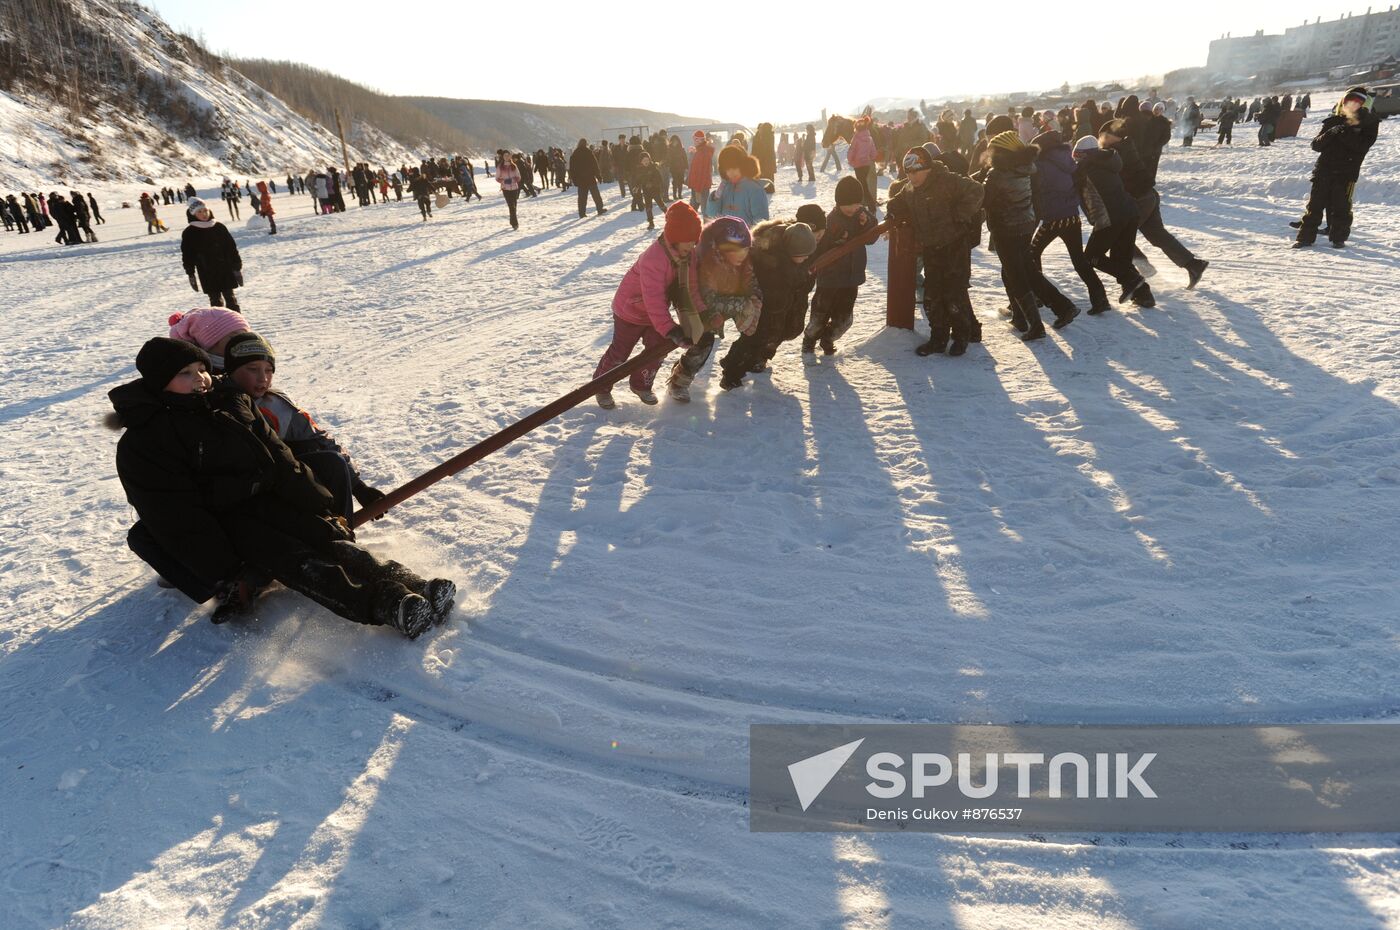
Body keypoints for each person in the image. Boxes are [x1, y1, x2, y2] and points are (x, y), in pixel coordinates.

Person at [109, 338, 453, 638]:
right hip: (226, 522)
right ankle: (388, 605)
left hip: (269, 497)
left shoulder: (230, 400)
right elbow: (176, 515)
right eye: (185, 373)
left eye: (200, 368)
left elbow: (279, 455)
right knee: (299, 561)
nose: (200, 379)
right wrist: (228, 571)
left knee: (325, 538)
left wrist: (317, 503)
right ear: (159, 382)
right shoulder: (145, 442)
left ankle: (415, 585)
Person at [222, 333, 386, 520]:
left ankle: (341, 534)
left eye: (269, 371)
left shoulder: (276, 405)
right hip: (241, 489)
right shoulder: (214, 399)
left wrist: (358, 487)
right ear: (231, 369)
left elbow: (318, 439)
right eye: (253, 369)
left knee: (332, 463)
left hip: (282, 479)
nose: (263, 378)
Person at [593, 202, 702, 409]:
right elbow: (654, 299)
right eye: (687, 241)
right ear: (674, 237)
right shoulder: (654, 258)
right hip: (630, 311)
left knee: (657, 350)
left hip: (654, 315)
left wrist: (699, 317)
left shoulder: (688, 255)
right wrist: (671, 329)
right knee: (620, 353)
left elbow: (691, 288)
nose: (692, 245)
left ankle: (641, 385)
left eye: (694, 241)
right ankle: (601, 386)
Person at [887, 147, 985, 356]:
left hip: (954, 245)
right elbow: (897, 202)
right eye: (908, 173)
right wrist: (892, 211)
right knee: (933, 296)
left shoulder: (946, 181)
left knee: (954, 294)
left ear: (927, 168)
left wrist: (961, 214)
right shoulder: (910, 190)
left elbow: (977, 190)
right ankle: (938, 337)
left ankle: (961, 336)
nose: (911, 177)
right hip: (931, 248)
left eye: (915, 171)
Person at [980, 131, 1078, 339]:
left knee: (1016, 276)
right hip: (1026, 225)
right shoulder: (1028, 168)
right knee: (1028, 271)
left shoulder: (996, 175)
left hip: (1005, 229)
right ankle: (1063, 307)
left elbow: (985, 202)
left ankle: (1035, 325)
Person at [1098, 118, 1208, 289]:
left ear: (1114, 136)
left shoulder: (1116, 151)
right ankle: (1193, 265)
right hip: (1148, 195)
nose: (1101, 140)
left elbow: (1105, 166)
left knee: (1118, 236)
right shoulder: (1125, 146)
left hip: (1139, 199)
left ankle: (1144, 267)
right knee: (1157, 234)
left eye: (1104, 136)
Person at [666, 216, 762, 402]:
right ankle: (680, 380)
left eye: (745, 249)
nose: (743, 255)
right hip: (695, 308)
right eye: (736, 250)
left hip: (723, 304)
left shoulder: (745, 262)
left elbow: (753, 285)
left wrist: (753, 300)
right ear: (721, 249)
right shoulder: (707, 264)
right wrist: (741, 304)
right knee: (703, 342)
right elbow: (708, 300)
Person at [718, 219, 817, 387]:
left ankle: (755, 360)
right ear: (790, 251)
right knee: (752, 341)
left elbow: (802, 281)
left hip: (785, 308)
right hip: (764, 310)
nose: (806, 258)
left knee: (773, 338)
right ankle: (731, 372)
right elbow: (766, 285)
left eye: (808, 255)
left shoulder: (799, 257)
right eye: (802, 256)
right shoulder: (769, 258)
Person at [1029, 130, 1109, 315]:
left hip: (1053, 219)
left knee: (1032, 253)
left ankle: (1038, 295)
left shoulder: (1040, 165)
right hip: (1072, 216)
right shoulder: (1069, 161)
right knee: (1079, 260)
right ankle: (1100, 298)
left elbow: (1037, 190)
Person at [1293, 87, 1383, 249]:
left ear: (1363, 104)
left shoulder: (1369, 123)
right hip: (1323, 170)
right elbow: (1316, 145)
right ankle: (1305, 237)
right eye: (1349, 100)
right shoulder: (1333, 120)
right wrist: (1331, 132)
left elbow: (1362, 146)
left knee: (1341, 207)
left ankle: (1338, 238)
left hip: (1346, 173)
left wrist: (1343, 132)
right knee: (1314, 206)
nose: (1352, 104)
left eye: (1357, 101)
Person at [1072, 136, 1150, 308]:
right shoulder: (1107, 161)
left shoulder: (1084, 169)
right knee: (1122, 257)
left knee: (1091, 256)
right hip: (1129, 212)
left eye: (1077, 156)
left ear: (1083, 155)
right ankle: (1144, 294)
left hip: (1109, 217)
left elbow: (1076, 190)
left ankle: (1133, 279)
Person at [803, 176, 874, 361]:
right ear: (838, 203)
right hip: (830, 279)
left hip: (852, 278)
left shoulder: (862, 215)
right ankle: (809, 340)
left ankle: (828, 339)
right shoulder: (830, 221)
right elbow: (820, 248)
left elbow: (872, 237)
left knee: (845, 319)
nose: (852, 208)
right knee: (819, 314)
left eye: (856, 203)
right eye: (847, 204)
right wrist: (835, 242)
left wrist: (866, 223)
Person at [180, 198, 243, 310]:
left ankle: (237, 324)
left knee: (231, 298)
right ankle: (220, 326)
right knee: (215, 302)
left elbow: (231, 248)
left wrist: (237, 267)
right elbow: (187, 255)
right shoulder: (189, 233)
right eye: (199, 212)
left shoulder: (219, 227)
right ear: (193, 214)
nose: (204, 214)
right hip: (206, 271)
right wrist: (190, 273)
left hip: (225, 268)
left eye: (205, 210)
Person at [704, 146, 769, 227]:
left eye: (734, 168)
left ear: (743, 166)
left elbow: (761, 222)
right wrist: (716, 198)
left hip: (747, 237)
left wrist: (750, 236)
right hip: (725, 237)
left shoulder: (754, 190)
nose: (731, 173)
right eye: (727, 170)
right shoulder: (725, 188)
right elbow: (712, 215)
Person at [167, 308, 250, 371]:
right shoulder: (204, 376)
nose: (243, 342)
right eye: (233, 338)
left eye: (246, 336)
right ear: (211, 343)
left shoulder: (252, 362)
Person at [846, 116, 879, 215]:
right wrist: (872, 157)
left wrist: (850, 160)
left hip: (858, 165)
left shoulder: (856, 138)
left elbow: (852, 150)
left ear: (856, 128)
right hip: (866, 165)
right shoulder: (869, 138)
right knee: (863, 184)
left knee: (863, 185)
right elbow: (873, 150)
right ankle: (865, 204)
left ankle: (870, 206)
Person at [569, 138, 606, 218]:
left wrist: (574, 179)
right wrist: (598, 176)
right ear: (586, 144)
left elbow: (572, 168)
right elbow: (594, 165)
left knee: (582, 197)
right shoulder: (588, 152)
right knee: (596, 195)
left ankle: (582, 213)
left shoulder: (575, 154)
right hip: (590, 178)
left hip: (580, 179)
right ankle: (600, 209)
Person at [687, 131, 714, 210]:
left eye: (695, 140)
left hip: (700, 186)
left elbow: (702, 172)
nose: (694, 142)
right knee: (693, 210)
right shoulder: (700, 151)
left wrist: (698, 190)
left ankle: (706, 222)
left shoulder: (703, 152)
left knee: (704, 210)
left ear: (700, 140)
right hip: (697, 185)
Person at [496, 150, 522, 229]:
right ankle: (515, 224)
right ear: (503, 157)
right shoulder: (500, 167)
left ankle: (512, 221)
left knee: (514, 206)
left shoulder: (514, 166)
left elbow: (519, 177)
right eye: (505, 155)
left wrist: (513, 180)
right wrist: (504, 181)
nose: (506, 157)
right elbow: (497, 178)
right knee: (511, 206)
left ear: (510, 156)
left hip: (514, 188)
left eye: (508, 155)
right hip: (506, 189)